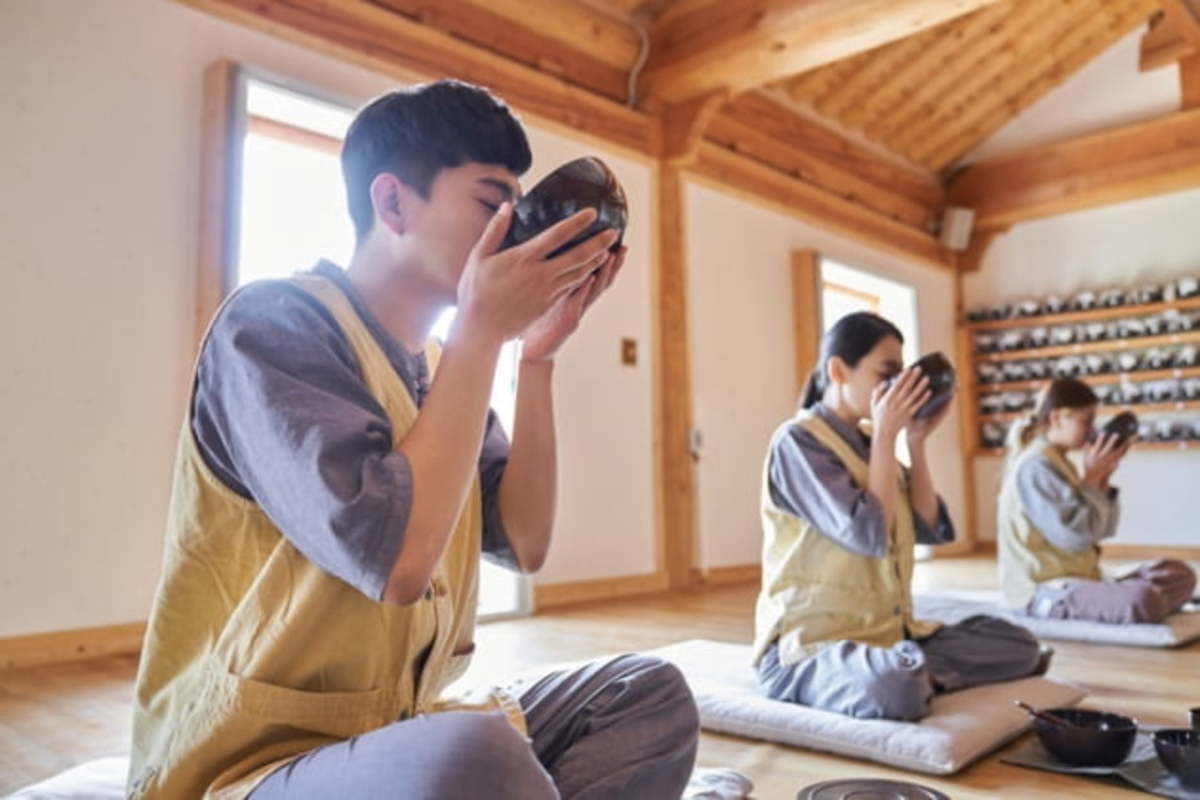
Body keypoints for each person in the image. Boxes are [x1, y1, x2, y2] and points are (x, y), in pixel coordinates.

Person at [128, 79, 698, 799]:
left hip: (396, 727)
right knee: (474, 756)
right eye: (493, 205)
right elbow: (396, 561)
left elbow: (525, 541)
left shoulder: (440, 366)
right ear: (393, 202)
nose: (513, 233)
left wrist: (537, 357)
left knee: (646, 694)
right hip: (248, 763)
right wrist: (484, 332)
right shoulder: (272, 324)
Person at [753, 312, 1044, 721]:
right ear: (838, 370)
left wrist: (916, 441)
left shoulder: (874, 440)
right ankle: (906, 676)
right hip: (811, 647)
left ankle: (911, 670)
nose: (898, 388)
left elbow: (924, 524)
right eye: (886, 374)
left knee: (1020, 645)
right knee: (894, 688)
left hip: (889, 637)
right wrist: (888, 437)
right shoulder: (798, 442)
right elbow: (870, 533)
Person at [998, 378, 1196, 623]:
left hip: (1084, 577)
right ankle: (1132, 604)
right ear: (1057, 418)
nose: (1092, 431)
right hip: (1045, 591)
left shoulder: (1059, 461)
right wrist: (1092, 478)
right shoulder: (1035, 466)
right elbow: (1077, 538)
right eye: (1086, 421)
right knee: (1144, 598)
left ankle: (1119, 603)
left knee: (1179, 573)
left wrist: (1102, 476)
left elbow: (1101, 530)